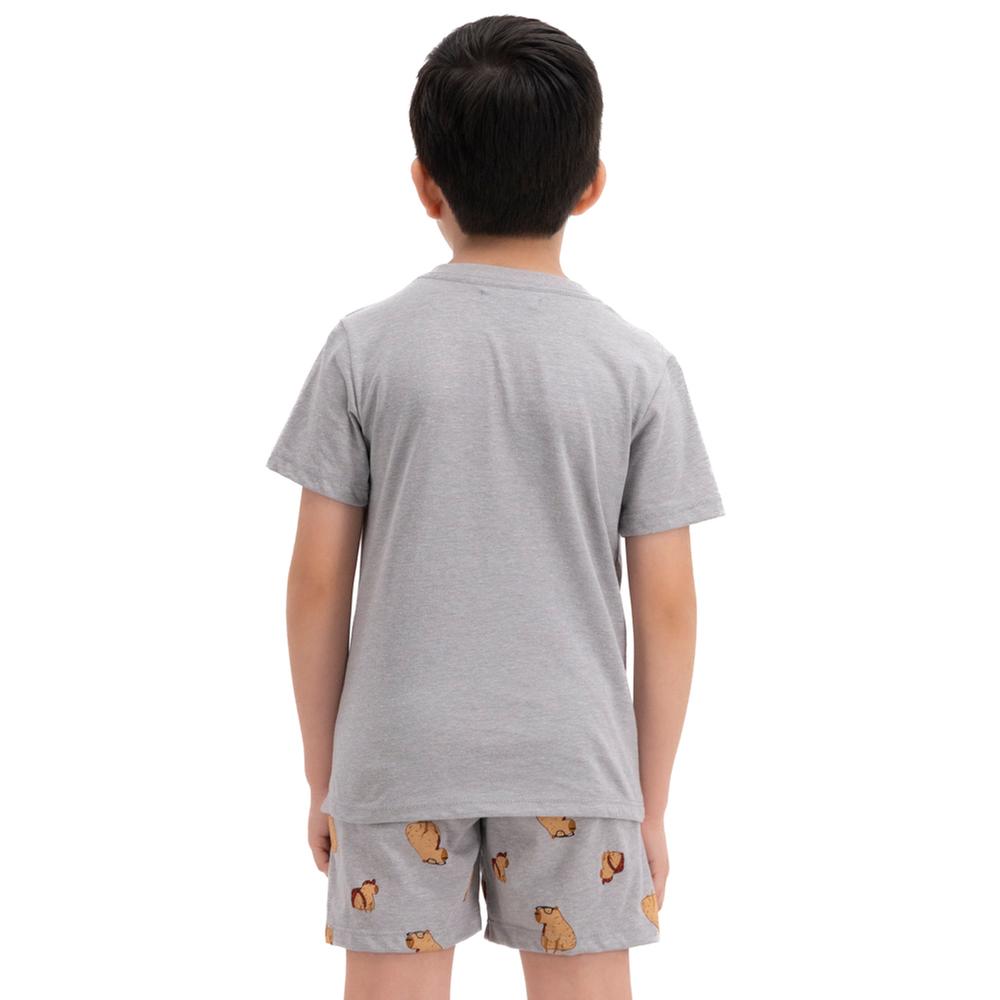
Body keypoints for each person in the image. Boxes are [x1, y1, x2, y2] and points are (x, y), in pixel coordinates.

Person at [266, 14, 725, 1000]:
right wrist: (647, 801)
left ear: (425, 182)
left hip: (398, 756)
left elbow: (315, 584)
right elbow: (668, 606)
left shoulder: (362, 350)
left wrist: (323, 773)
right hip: (576, 762)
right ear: (591, 183)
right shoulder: (637, 367)